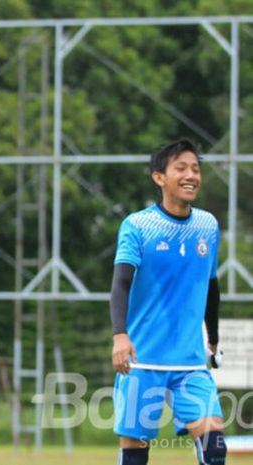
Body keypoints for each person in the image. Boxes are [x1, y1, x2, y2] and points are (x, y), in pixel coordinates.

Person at [109, 137, 227, 465]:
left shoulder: (207, 226)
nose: (191, 175)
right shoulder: (138, 225)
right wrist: (120, 336)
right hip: (142, 360)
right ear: (159, 177)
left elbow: (211, 287)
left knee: (215, 448)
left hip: (190, 363)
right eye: (181, 168)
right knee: (135, 457)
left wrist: (213, 340)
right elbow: (121, 284)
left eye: (196, 168)